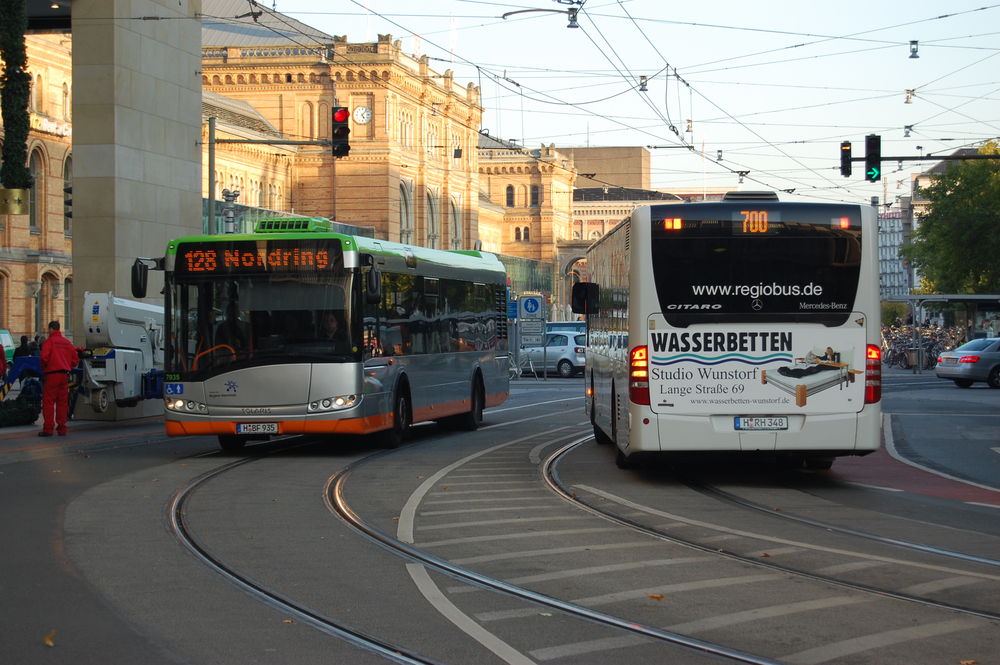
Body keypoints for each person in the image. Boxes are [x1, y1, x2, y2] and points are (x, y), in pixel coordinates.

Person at [38, 320, 80, 437]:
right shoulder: (67, 343)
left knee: (49, 402)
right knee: (62, 402)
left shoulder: (49, 342)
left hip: (52, 375)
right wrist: (67, 365)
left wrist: (45, 368)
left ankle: (48, 429)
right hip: (64, 375)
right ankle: (62, 429)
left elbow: (43, 358)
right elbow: (75, 360)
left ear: (51, 329)